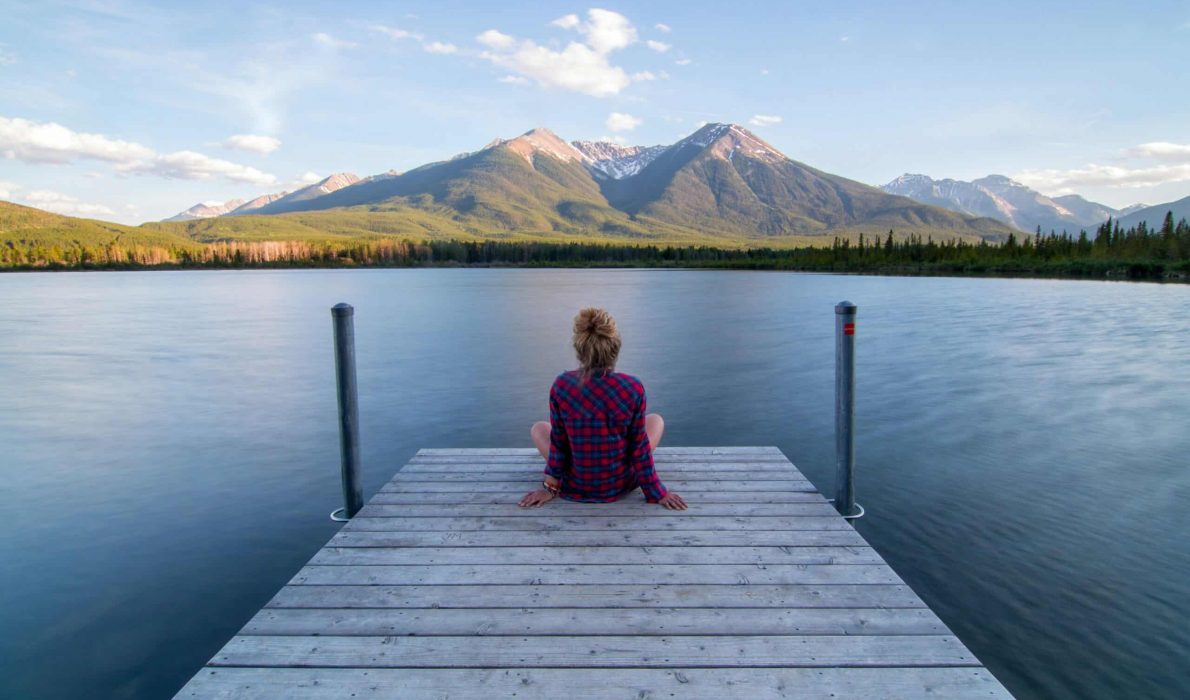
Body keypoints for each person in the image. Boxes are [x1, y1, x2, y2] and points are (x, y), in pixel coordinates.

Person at [520, 308, 688, 510]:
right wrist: (657, 492)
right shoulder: (632, 387)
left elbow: (559, 443)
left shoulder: (562, 385)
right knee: (655, 421)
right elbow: (639, 447)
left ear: (579, 350)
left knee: (539, 428)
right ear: (615, 348)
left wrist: (550, 487)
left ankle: (565, 478)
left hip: (575, 482)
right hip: (619, 484)